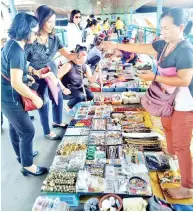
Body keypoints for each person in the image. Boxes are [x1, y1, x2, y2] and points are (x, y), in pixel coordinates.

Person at [102, 8, 193, 199]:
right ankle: (171, 154)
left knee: (183, 143)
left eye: (167, 28)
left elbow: (184, 80)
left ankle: (188, 186)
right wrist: (115, 44)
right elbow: (140, 48)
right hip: (168, 100)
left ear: (181, 27)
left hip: (185, 102)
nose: (163, 32)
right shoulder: (163, 45)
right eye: (162, 28)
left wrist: (154, 76)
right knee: (167, 127)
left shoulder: (186, 50)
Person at [25, 5, 82, 140]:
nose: (52, 25)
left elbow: (67, 55)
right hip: (37, 75)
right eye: (49, 21)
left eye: (53, 21)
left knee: (58, 97)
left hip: (51, 71)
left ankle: (57, 121)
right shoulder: (31, 40)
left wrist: (79, 56)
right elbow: (23, 62)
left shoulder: (54, 39)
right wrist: (34, 71)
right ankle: (47, 131)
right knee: (43, 102)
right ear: (40, 20)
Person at [1, 13, 48, 176]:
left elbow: (14, 69)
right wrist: (35, 97)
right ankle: (28, 165)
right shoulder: (17, 50)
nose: (36, 35)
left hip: (5, 95)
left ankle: (22, 156)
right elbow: (16, 83)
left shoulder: (11, 44)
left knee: (16, 127)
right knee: (27, 131)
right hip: (11, 97)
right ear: (25, 30)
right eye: (34, 32)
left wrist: (31, 72)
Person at [58, 45, 100, 112]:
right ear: (76, 55)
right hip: (67, 89)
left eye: (85, 58)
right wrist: (63, 89)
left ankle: (76, 103)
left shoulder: (85, 66)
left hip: (78, 88)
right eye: (81, 58)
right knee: (80, 96)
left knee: (90, 95)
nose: (83, 61)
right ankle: (68, 106)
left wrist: (97, 71)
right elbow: (56, 77)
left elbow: (92, 80)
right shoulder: (68, 65)